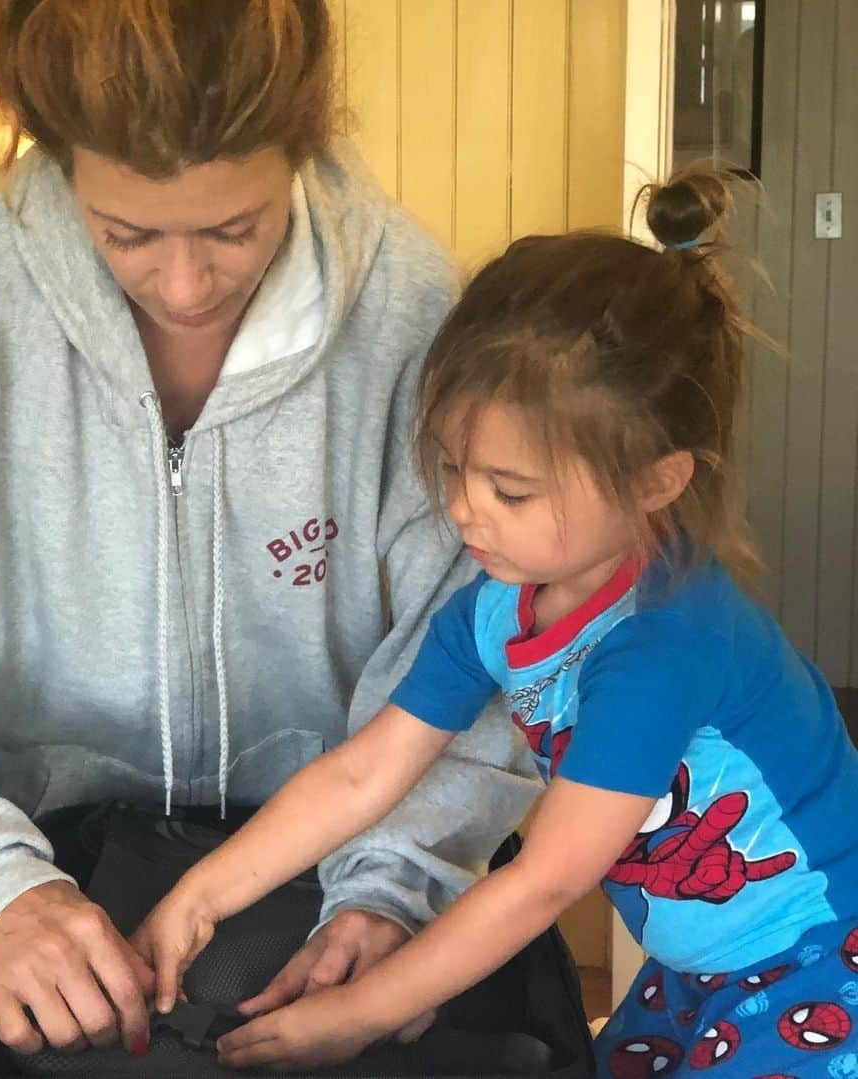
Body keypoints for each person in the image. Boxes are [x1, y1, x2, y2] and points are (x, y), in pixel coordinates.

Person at [0, 0, 540, 1060]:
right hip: (26, 861)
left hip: (332, 860)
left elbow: (494, 635)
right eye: (126, 232)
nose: (185, 286)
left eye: (235, 228)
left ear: (305, 148)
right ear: (53, 164)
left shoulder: (411, 315)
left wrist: (394, 885)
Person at [133, 168, 858, 1076]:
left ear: (655, 481)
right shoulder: (490, 614)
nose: (465, 512)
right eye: (452, 467)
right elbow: (362, 775)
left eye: (510, 489)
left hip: (820, 964)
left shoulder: (664, 647)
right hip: (697, 971)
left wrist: (358, 1014)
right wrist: (199, 894)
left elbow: (542, 880)